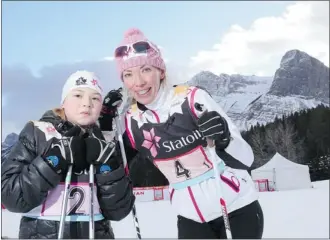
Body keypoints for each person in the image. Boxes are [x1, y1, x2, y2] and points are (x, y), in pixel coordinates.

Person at [99, 28, 264, 239]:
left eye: (146, 69)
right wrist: (105, 122)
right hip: (190, 218)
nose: (138, 82)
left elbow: (247, 159)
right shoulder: (131, 122)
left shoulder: (192, 98)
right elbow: (111, 164)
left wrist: (224, 139)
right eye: (128, 74)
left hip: (236, 208)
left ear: (161, 71)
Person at [1, 70, 135, 239]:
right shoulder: (38, 133)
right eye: (78, 95)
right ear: (63, 102)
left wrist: (107, 164)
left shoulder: (104, 141)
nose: (87, 104)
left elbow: (119, 211)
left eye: (95, 98)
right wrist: (53, 159)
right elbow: (10, 196)